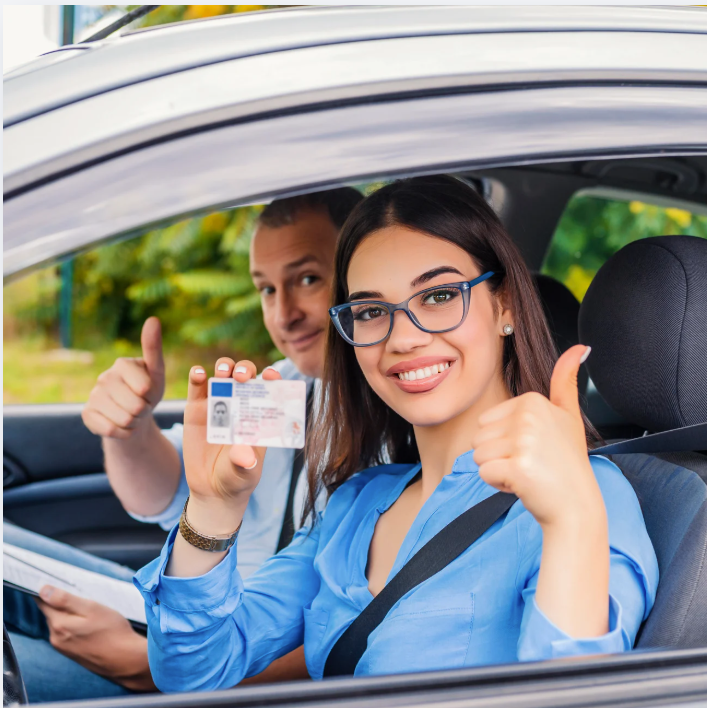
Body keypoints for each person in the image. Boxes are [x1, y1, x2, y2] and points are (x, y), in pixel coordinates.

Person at [134, 175, 659, 689]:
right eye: (370, 310)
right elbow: (193, 671)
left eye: (437, 296)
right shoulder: (358, 504)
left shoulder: (586, 494)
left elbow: (573, 698)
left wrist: (572, 518)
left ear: (505, 306)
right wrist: (212, 509)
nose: (403, 338)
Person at [4, 187, 363, 702]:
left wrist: (143, 666)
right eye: (265, 289)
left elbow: (348, 638)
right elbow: (165, 492)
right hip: (198, 620)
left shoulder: (403, 435)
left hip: (230, 668)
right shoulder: (279, 388)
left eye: (307, 279)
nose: (283, 314)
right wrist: (130, 428)